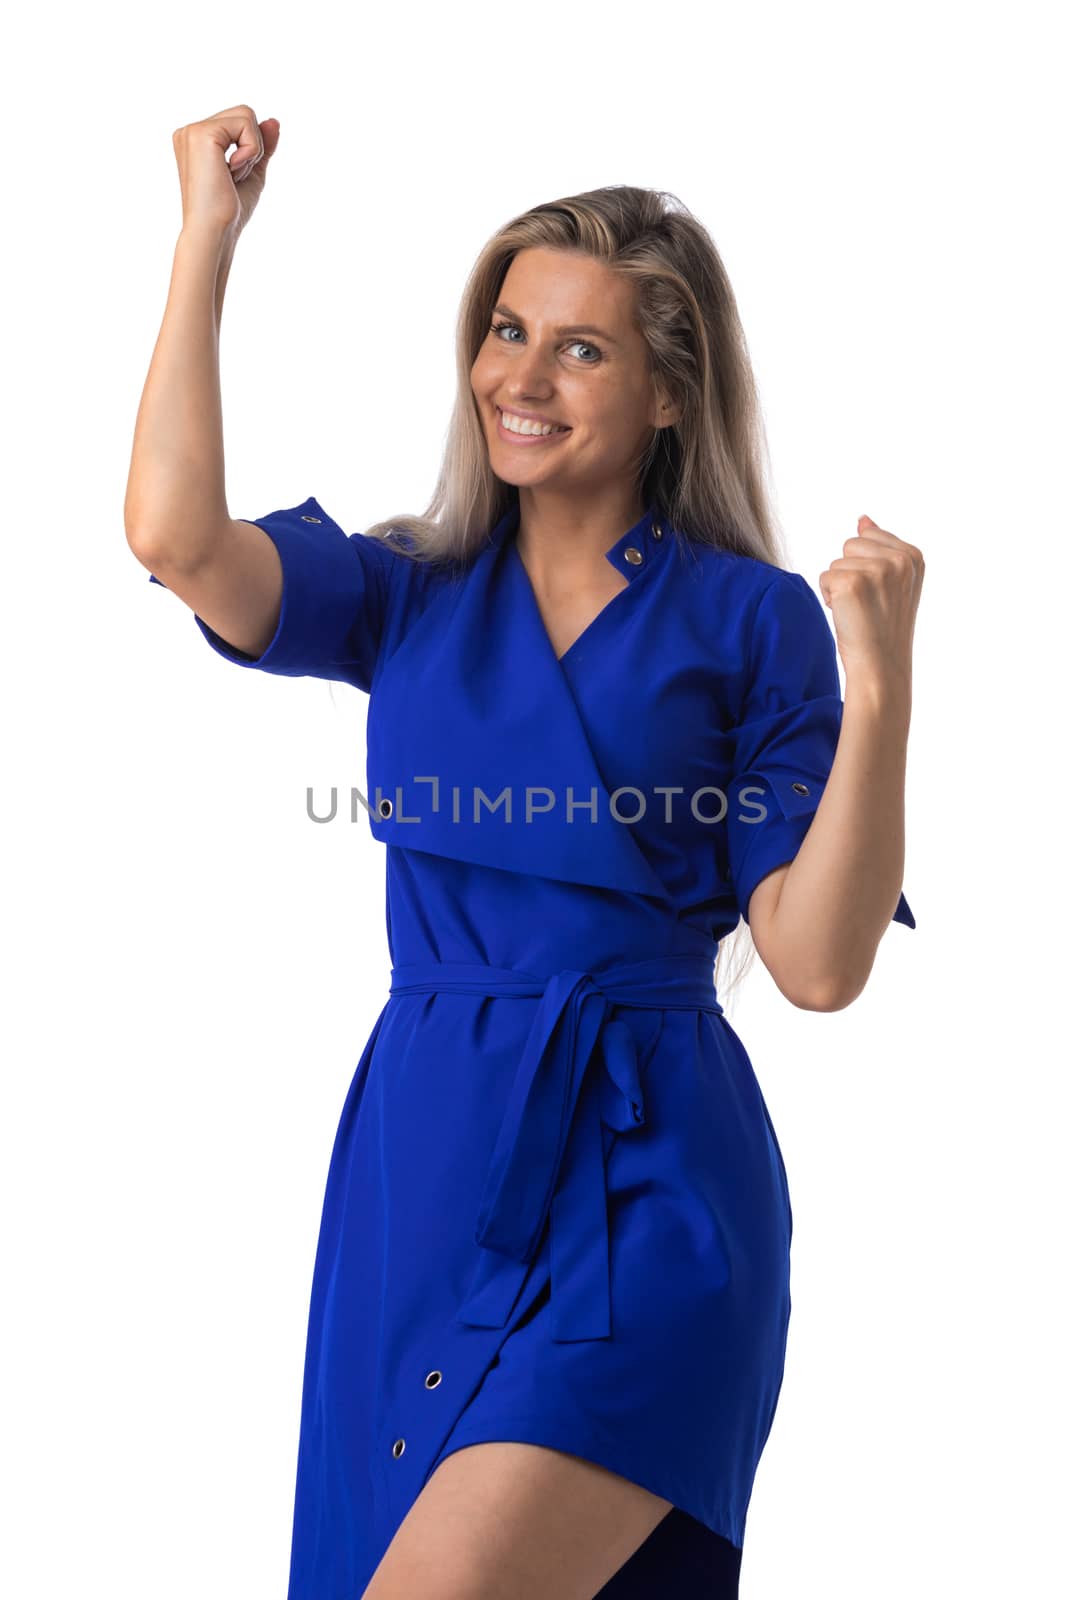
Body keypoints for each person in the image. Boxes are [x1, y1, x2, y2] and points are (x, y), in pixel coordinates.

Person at [126, 105, 922, 1600]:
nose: (521, 376)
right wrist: (206, 240)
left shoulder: (748, 622)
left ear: (671, 393)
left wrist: (877, 689)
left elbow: (816, 964)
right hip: (423, 1167)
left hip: (649, 1185)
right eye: (507, 330)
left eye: (581, 348)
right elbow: (173, 537)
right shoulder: (409, 593)